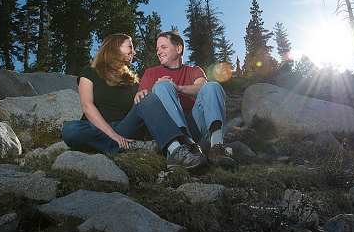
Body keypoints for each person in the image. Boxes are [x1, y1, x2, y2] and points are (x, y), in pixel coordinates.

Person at [61, 34, 208, 171]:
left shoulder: (132, 82)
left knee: (148, 98)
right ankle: (131, 146)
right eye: (130, 47)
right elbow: (87, 106)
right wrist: (113, 135)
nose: (134, 52)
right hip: (96, 128)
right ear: (115, 48)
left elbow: (143, 113)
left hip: (124, 129)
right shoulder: (90, 73)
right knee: (71, 129)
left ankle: (175, 150)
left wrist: (143, 94)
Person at [135, 30, 235, 167]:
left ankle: (217, 148)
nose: (158, 52)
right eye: (157, 49)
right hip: (169, 131)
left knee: (213, 86)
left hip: (194, 126)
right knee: (162, 86)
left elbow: (202, 88)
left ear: (178, 48)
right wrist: (161, 87)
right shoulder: (151, 73)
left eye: (163, 47)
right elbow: (144, 99)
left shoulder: (193, 71)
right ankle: (186, 145)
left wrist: (178, 88)